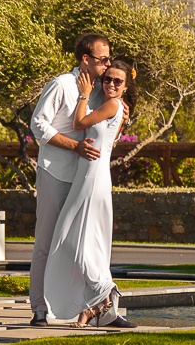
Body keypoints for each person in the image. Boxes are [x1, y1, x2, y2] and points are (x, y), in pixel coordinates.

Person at [43, 59, 137, 328]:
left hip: (93, 179)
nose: (111, 84)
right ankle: (97, 305)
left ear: (125, 86)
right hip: (88, 176)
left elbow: (79, 122)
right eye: (107, 79)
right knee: (79, 239)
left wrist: (84, 94)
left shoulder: (113, 105)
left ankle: (105, 294)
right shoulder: (114, 107)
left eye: (117, 81)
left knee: (74, 240)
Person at [28, 33, 112, 327]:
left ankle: (93, 308)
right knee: (46, 242)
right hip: (55, 173)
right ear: (85, 59)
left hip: (85, 179)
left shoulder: (102, 92)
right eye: (103, 59)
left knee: (84, 245)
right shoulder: (61, 84)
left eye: (109, 59)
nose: (107, 65)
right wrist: (74, 146)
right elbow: (38, 124)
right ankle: (39, 308)